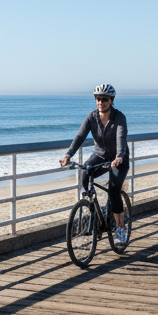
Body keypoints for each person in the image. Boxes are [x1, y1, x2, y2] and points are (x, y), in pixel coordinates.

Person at [58, 84, 129, 244]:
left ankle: (121, 228)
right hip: (99, 156)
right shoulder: (91, 117)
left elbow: (121, 138)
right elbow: (79, 137)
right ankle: (94, 212)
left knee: (113, 191)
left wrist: (118, 157)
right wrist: (68, 155)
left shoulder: (119, 117)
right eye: (98, 99)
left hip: (119, 160)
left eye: (104, 99)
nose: (100, 102)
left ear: (111, 100)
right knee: (84, 173)